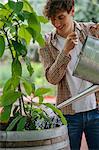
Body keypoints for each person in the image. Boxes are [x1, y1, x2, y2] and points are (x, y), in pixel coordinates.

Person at [39, 0, 99, 149]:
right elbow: (52, 78)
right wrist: (65, 51)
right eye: (52, 19)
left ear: (72, 11)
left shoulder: (90, 30)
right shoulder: (47, 42)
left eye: (60, 17)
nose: (56, 23)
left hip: (96, 110)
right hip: (68, 115)